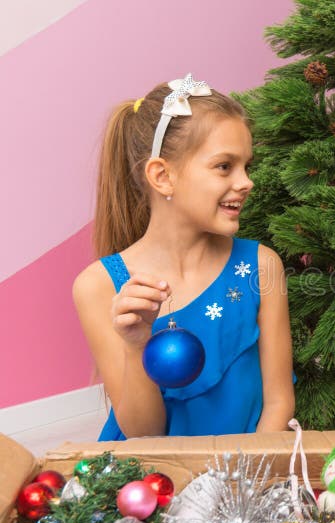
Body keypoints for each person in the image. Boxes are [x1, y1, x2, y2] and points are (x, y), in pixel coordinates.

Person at [73, 74, 295, 440]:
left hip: (248, 482)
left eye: (246, 166)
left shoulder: (260, 266)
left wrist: (244, 490)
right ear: (162, 177)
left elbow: (279, 405)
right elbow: (144, 434)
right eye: (224, 166)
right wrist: (136, 344)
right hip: (153, 488)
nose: (246, 182)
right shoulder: (99, 286)